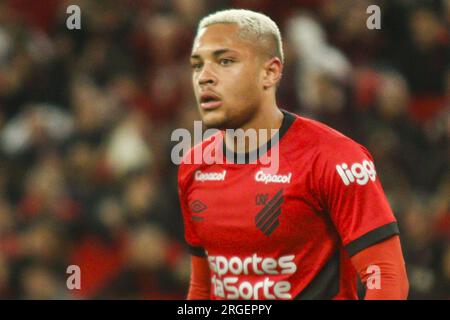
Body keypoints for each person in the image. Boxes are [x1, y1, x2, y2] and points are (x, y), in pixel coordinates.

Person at [178, 9, 409, 300]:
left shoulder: (334, 157)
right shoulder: (193, 166)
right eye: (197, 65)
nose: (204, 78)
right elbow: (202, 288)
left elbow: (386, 276)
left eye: (225, 61)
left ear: (270, 72)